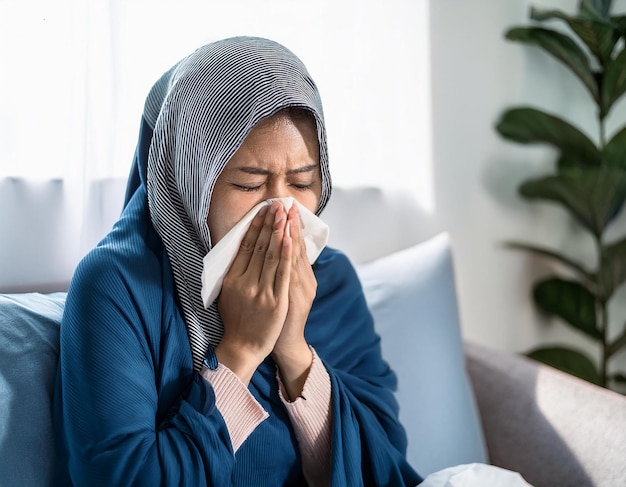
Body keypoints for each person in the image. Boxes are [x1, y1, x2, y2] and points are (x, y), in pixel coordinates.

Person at [53, 36, 422, 486]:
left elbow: (384, 467)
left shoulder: (333, 281)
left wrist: (293, 351)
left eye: (303, 182)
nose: (282, 212)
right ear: (189, 182)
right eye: (250, 185)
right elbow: (123, 478)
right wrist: (241, 352)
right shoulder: (116, 286)